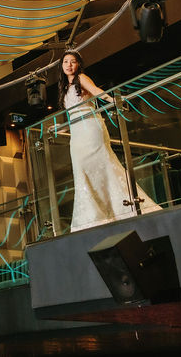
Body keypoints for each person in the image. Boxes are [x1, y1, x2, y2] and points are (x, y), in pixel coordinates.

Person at [60, 50, 161, 231]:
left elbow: (96, 92)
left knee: (103, 164)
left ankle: (123, 208)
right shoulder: (65, 88)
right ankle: (95, 215)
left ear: (78, 64)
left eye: (72, 62)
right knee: (82, 170)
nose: (69, 65)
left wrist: (112, 100)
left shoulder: (82, 78)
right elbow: (71, 116)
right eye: (65, 62)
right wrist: (59, 128)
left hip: (90, 128)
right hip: (76, 135)